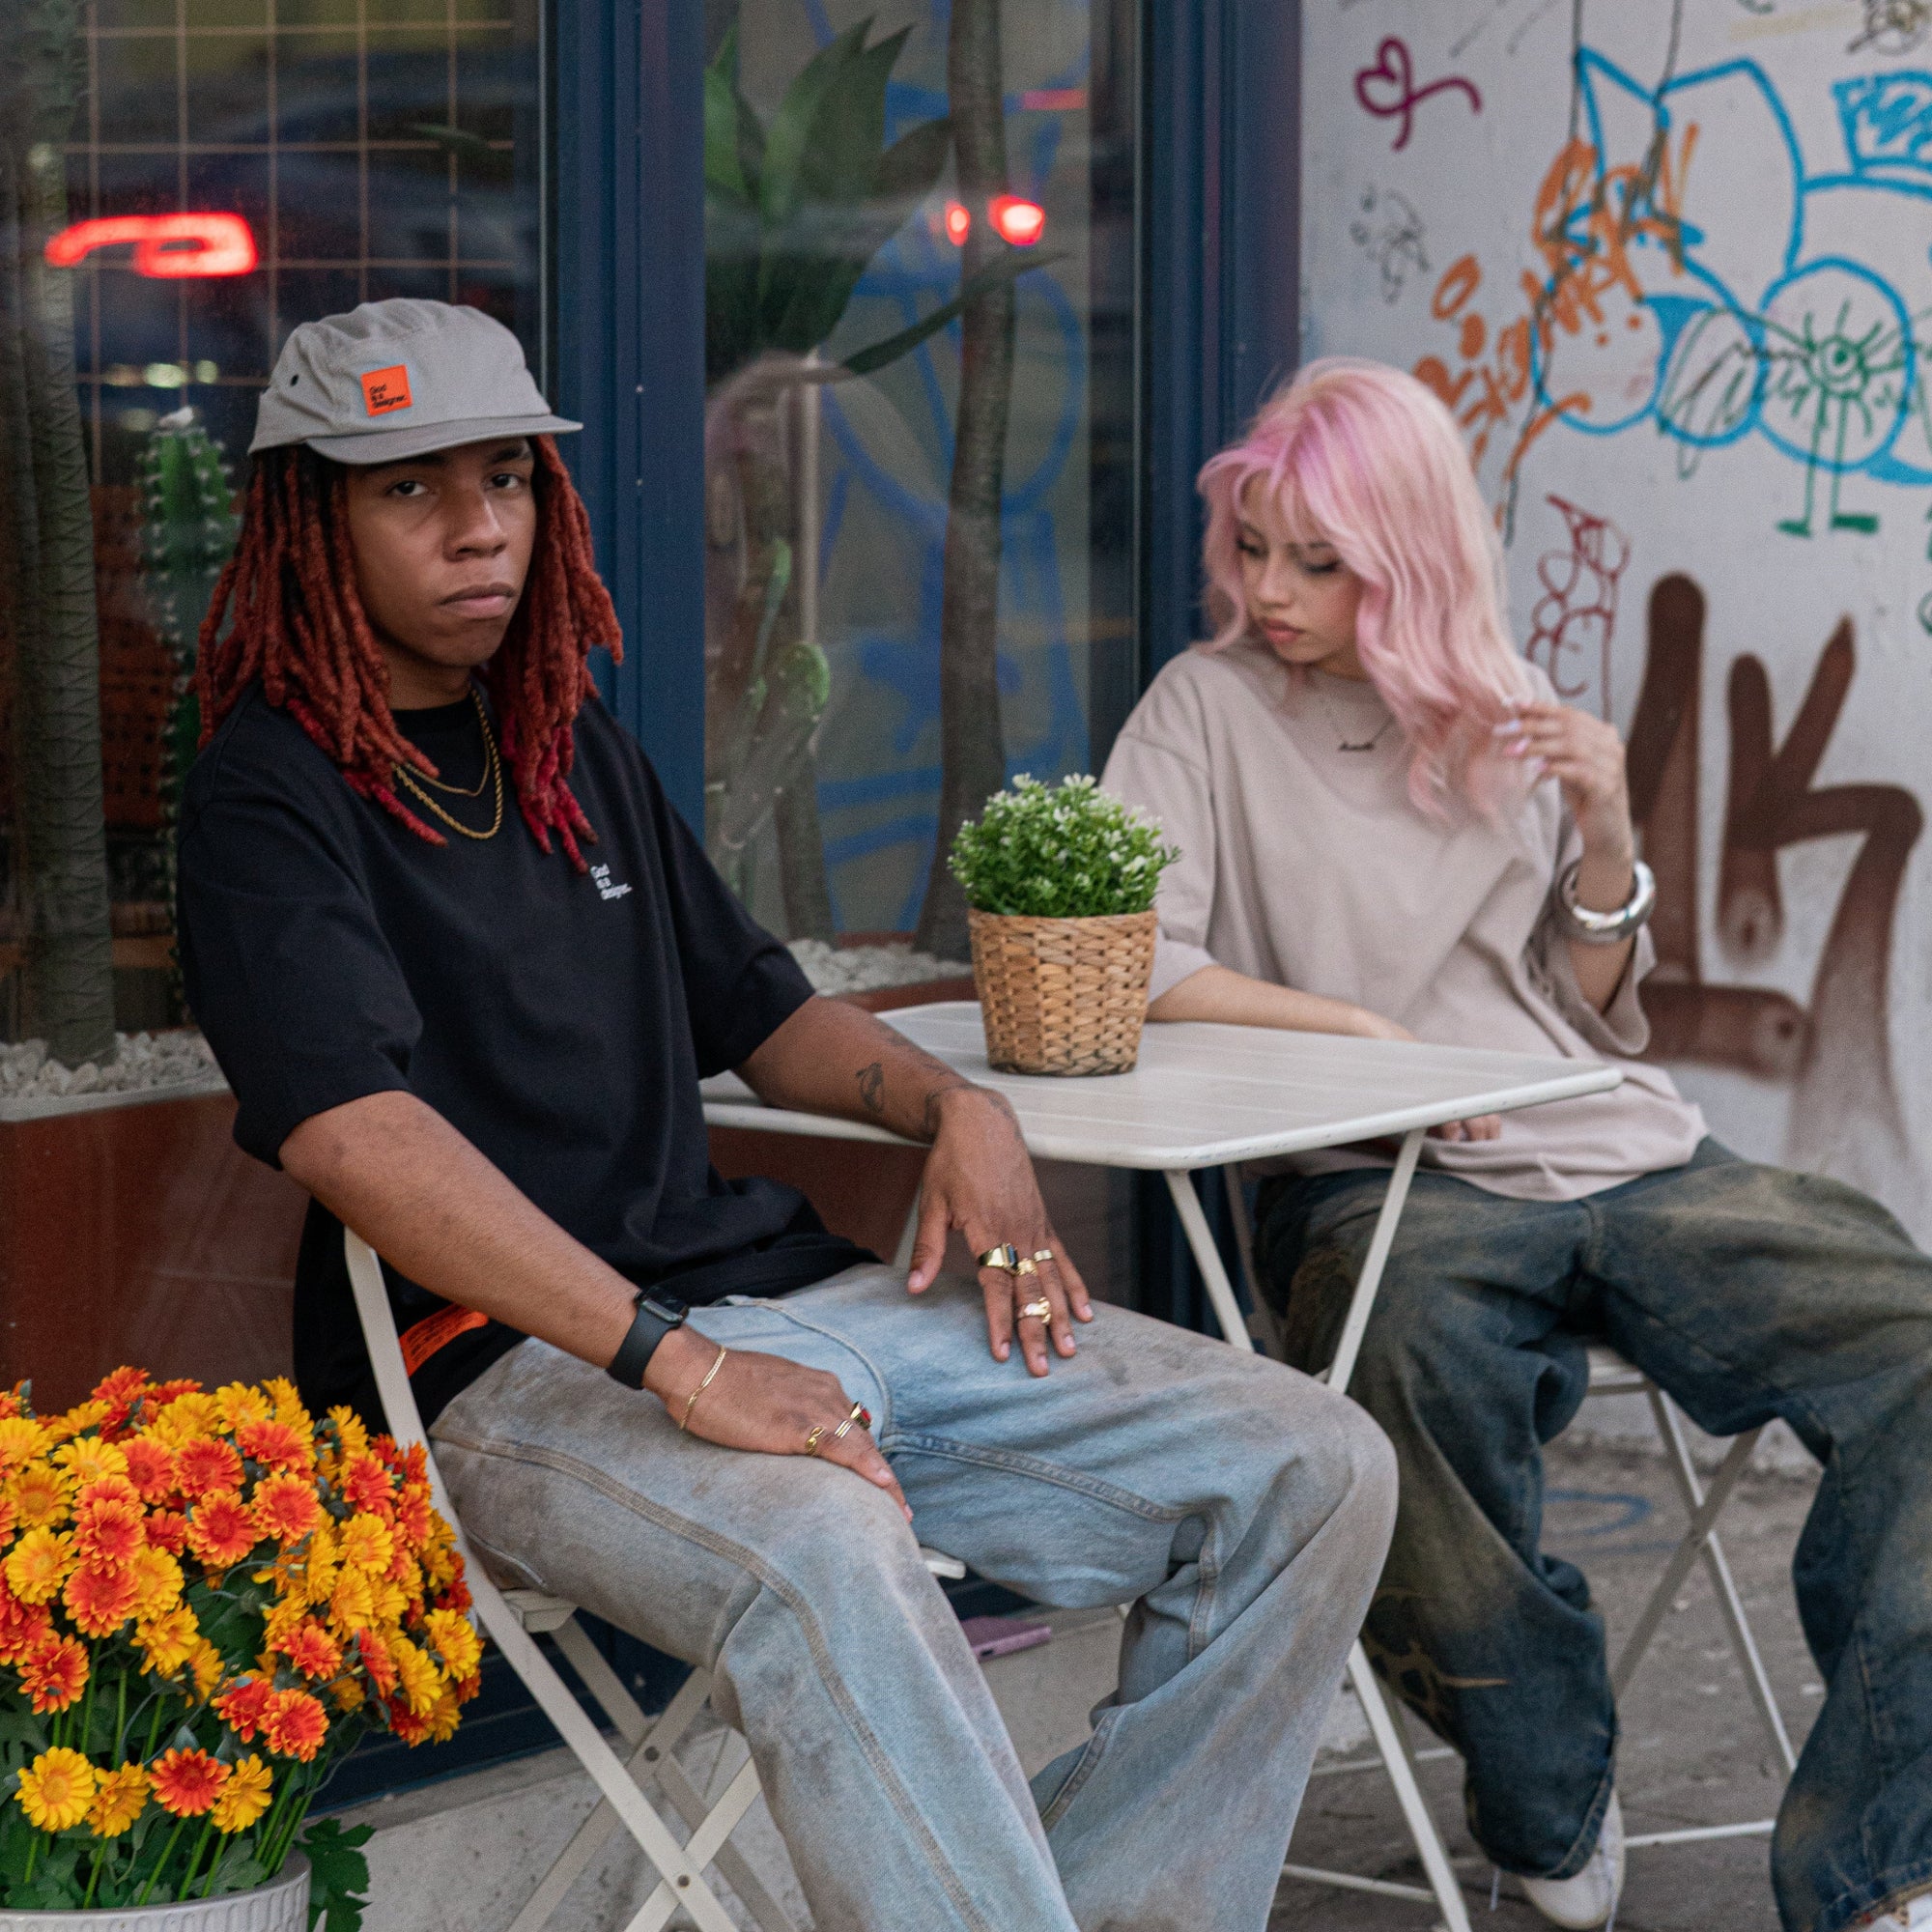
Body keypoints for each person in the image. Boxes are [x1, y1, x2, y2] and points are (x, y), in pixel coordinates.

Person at [173, 298, 1397, 1932]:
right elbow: (353, 1134)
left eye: (508, 480)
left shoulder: (564, 744)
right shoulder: (270, 795)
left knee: (1316, 1462)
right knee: (825, 1547)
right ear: (312, 523)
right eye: (410, 491)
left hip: (781, 1308)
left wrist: (957, 1107)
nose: (480, 528)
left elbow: (759, 1010)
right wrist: (680, 1362)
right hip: (503, 1371)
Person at [1100, 356, 1932, 1932]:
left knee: (1916, 1336)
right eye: (1255, 549)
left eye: (1317, 561)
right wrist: (1370, 1048)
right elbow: (1138, 963)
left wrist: (1611, 836)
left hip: (1610, 1148)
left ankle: (1882, 1855)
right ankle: (1547, 1785)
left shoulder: (1508, 717)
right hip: (1372, 1180)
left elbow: (1586, 1005)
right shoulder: (1201, 710)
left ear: (1408, 561)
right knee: (1399, 1391)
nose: (1267, 590)